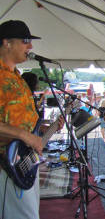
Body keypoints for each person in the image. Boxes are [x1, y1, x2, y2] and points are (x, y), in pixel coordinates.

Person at [0, 20, 64, 219]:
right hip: (6, 164)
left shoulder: (17, 77)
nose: (31, 47)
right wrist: (25, 136)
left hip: (25, 160)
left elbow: (20, 120)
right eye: (25, 40)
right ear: (6, 43)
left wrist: (42, 131)